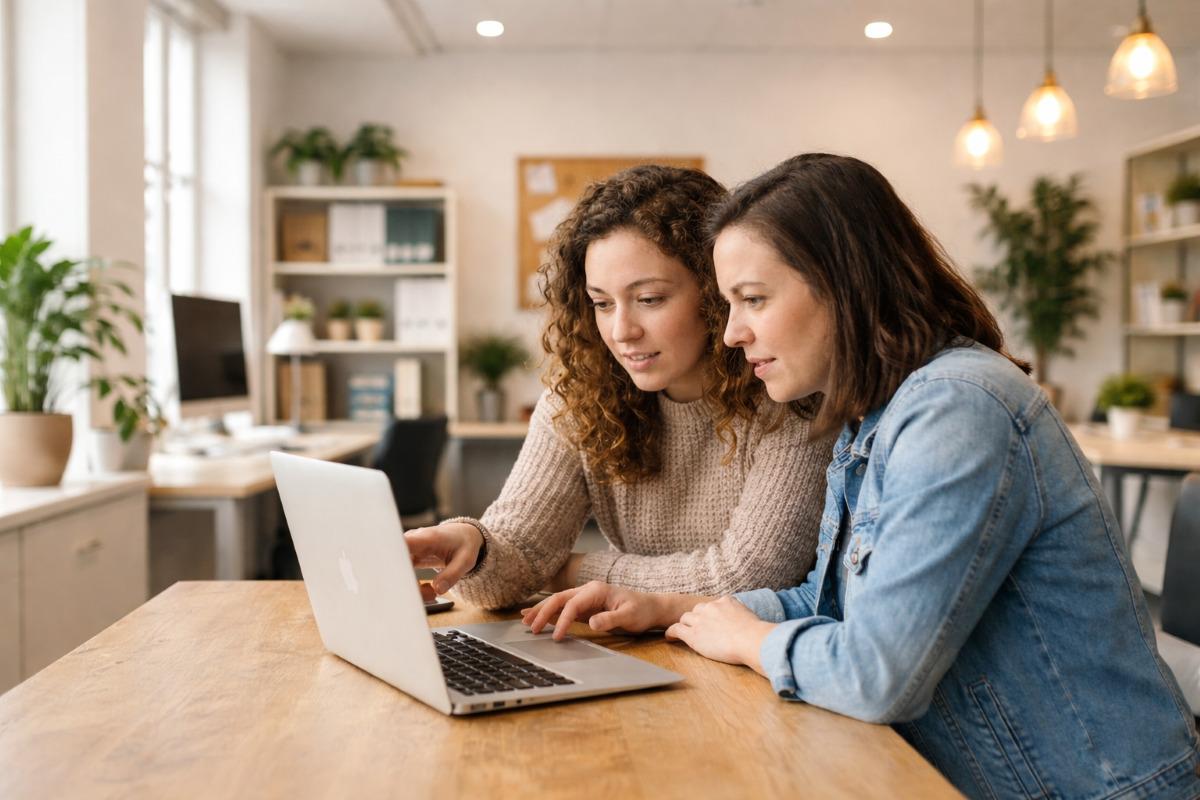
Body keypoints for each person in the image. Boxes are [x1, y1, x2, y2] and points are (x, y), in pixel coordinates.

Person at [524, 154, 1200, 800]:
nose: (732, 333)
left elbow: (878, 676)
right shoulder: (871, 417)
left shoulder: (957, 409)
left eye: (753, 299)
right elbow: (831, 604)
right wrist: (677, 609)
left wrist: (752, 638)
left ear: (842, 285)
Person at [407, 164, 835, 610]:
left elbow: (749, 578)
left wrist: (571, 571)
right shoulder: (581, 398)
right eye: (602, 303)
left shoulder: (787, 393)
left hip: (739, 669)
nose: (621, 330)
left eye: (649, 299)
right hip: (635, 648)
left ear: (714, 291)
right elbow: (508, 569)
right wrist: (471, 545)